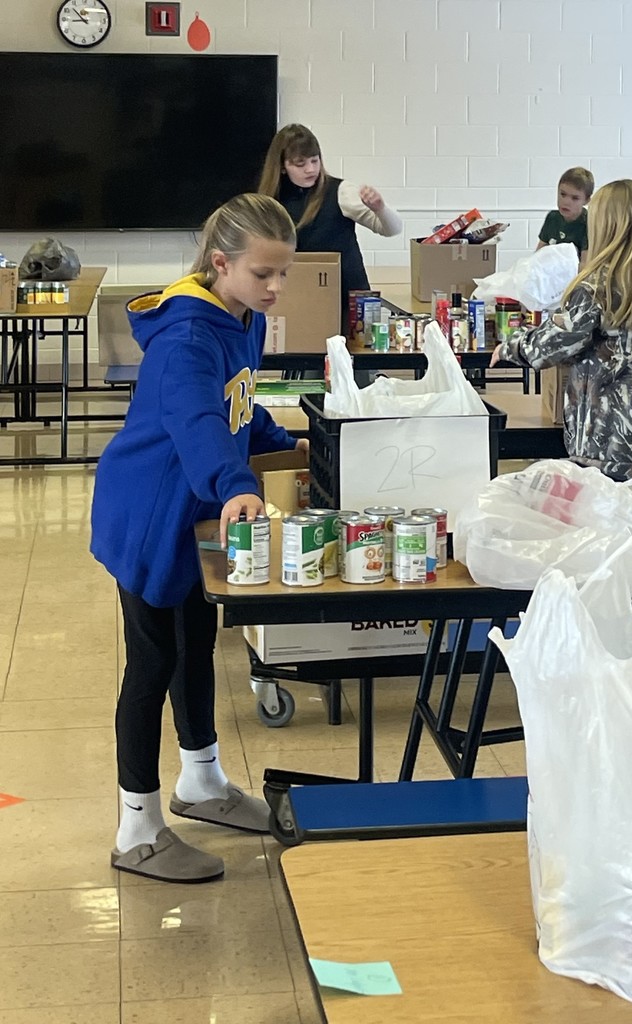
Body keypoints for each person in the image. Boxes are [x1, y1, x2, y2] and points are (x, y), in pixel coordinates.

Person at [90, 193, 308, 883]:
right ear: (221, 263)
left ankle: (203, 783)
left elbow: (237, 406)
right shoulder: (188, 335)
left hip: (192, 509)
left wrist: (290, 444)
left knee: (193, 652)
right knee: (151, 665)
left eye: (283, 275)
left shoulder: (236, 318)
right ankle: (136, 829)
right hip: (150, 515)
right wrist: (235, 482)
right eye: (262, 275)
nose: (275, 290)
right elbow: (197, 422)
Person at [491, 179, 632, 496]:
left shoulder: (595, 287)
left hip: (608, 448)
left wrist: (511, 347)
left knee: (608, 538)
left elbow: (553, 345)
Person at [257, 123, 402, 332]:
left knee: (358, 362)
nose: (311, 169)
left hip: (350, 303)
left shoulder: (341, 192)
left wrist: (380, 208)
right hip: (301, 300)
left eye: (315, 161)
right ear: (282, 166)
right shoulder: (269, 202)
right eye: (300, 164)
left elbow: (392, 229)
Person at [537, 166, 595, 267]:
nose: (566, 202)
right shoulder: (552, 218)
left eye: (575, 198)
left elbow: (585, 266)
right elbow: (538, 255)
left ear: (586, 200)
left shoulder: (589, 223)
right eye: (563, 194)